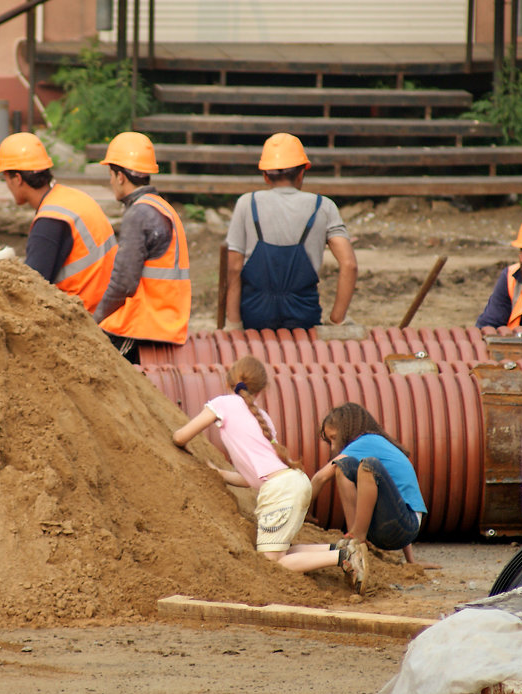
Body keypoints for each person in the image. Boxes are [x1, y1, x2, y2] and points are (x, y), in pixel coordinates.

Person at [173, 356, 373, 592]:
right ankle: (338, 550)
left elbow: (179, 437)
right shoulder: (264, 419)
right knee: (280, 551)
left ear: (229, 381)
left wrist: (184, 448)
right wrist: (220, 474)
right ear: (260, 389)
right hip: (295, 481)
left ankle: (343, 559)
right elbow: (252, 479)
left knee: (271, 561)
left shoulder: (223, 404)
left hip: (280, 490)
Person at [224, 132, 358, 331]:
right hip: (304, 316)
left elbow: (234, 268)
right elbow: (349, 265)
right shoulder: (323, 206)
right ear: (302, 172)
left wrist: (234, 324)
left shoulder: (247, 203)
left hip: (255, 315)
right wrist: (336, 320)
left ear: (265, 175)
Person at [94, 132, 191, 363]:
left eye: (110, 175)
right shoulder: (161, 207)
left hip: (147, 325)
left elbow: (123, 284)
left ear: (119, 176)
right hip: (168, 320)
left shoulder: (138, 214)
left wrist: (94, 319)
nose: (110, 182)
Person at [0, 132, 117, 313]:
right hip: (108, 307)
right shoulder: (72, 198)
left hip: (85, 318)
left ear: (18, 179)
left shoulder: (50, 221)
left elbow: (31, 288)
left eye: (6, 178)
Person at [311, 402, 428, 567]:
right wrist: (411, 562)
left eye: (334, 438)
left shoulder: (366, 442)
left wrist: (302, 513)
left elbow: (319, 478)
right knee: (343, 468)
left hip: (403, 526)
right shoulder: (374, 445)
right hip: (397, 525)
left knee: (365, 466)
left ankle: (356, 538)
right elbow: (397, 499)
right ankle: (356, 538)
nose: (333, 446)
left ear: (347, 430)